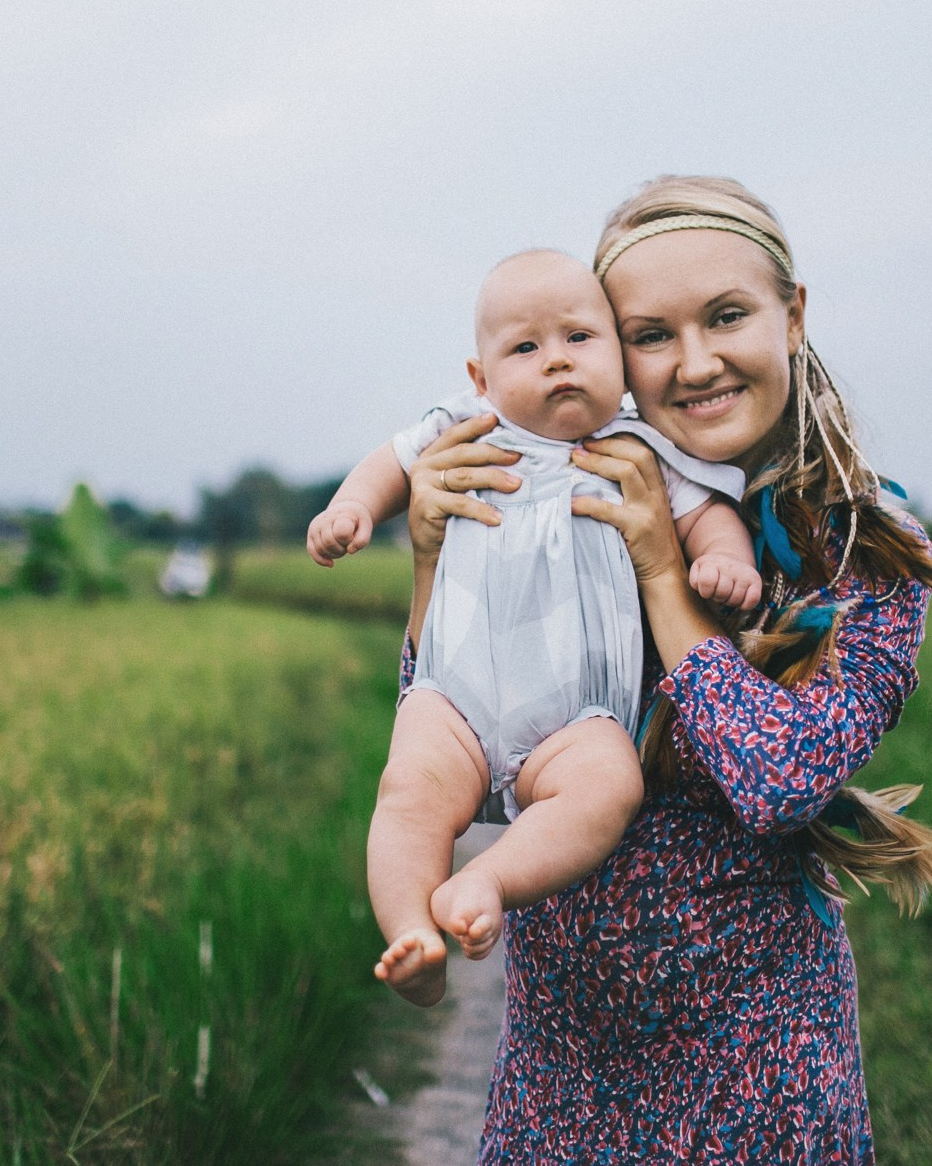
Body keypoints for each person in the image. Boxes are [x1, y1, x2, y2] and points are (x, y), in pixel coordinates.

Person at [399, 177, 932, 1162]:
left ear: (790, 316)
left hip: (755, 1080)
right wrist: (428, 556)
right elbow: (463, 749)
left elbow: (779, 780)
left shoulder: (854, 546)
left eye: (725, 316)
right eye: (650, 333)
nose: (695, 361)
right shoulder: (565, 489)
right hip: (559, 1076)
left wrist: (662, 574)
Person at [308, 249, 762, 1005]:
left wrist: (724, 559)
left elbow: (706, 513)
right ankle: (412, 935)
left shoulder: (641, 446)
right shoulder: (467, 426)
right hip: (453, 694)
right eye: (525, 347)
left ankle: (489, 877)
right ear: (481, 376)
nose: (556, 360)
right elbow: (389, 464)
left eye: (579, 338)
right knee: (409, 792)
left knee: (608, 784)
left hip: (574, 719)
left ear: (618, 350)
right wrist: (351, 509)